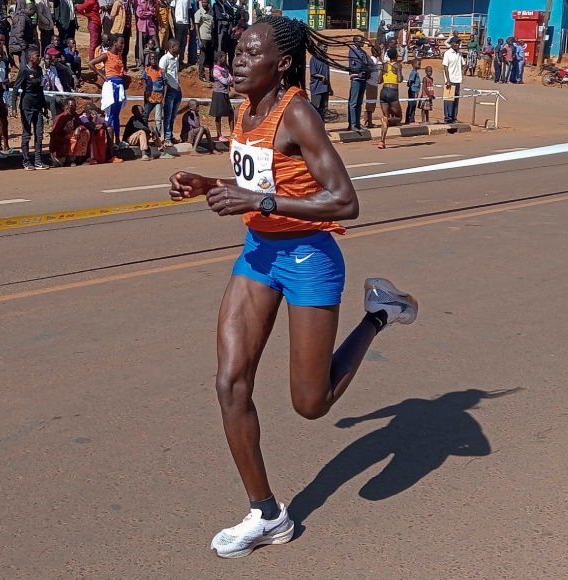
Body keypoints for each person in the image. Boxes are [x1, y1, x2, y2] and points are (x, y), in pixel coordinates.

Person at [167, 15, 418, 559]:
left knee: (311, 403)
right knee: (230, 383)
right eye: (236, 50)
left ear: (280, 63)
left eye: (249, 53)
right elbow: (263, 183)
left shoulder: (297, 112)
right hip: (259, 254)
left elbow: (345, 201)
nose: (236, 60)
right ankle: (267, 514)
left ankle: (379, 313)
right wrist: (209, 185)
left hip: (309, 258)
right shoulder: (244, 109)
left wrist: (260, 203)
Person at [12, 47, 49, 170]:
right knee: (27, 134)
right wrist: (13, 107)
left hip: (37, 106)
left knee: (39, 134)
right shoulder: (24, 71)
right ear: (30, 58)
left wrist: (44, 106)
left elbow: (40, 89)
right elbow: (16, 88)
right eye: (37, 56)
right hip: (26, 106)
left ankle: (38, 160)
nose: (40, 58)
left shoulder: (39, 70)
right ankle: (26, 160)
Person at [88, 33, 127, 143]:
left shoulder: (119, 55)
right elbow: (91, 63)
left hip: (120, 86)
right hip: (111, 86)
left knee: (116, 114)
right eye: (121, 43)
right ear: (114, 43)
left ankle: (118, 141)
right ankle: (107, 141)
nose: (123, 45)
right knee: (110, 114)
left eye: (123, 43)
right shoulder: (106, 55)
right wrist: (103, 76)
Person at [49, 96, 90, 165]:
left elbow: (82, 125)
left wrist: (78, 128)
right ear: (66, 107)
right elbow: (54, 135)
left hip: (70, 140)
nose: (74, 107)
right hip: (60, 147)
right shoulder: (61, 118)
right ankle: (66, 160)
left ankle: (79, 159)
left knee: (85, 133)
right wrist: (67, 141)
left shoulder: (75, 116)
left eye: (75, 106)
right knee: (73, 139)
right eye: (71, 106)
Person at [376, 48, 402, 149]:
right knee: (399, 118)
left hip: (383, 91)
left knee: (385, 117)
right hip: (392, 92)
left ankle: (382, 141)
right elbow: (399, 79)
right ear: (396, 56)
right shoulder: (397, 65)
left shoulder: (384, 65)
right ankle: (388, 120)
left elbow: (379, 81)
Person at [160, 39, 183, 143]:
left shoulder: (176, 59)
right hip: (169, 91)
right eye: (178, 46)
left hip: (177, 90)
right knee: (168, 115)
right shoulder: (165, 59)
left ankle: (170, 135)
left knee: (173, 115)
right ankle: (167, 138)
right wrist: (168, 87)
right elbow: (161, 75)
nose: (180, 48)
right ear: (172, 47)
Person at [210, 51, 234, 142]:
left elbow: (230, 79)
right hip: (218, 94)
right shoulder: (215, 70)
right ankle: (219, 135)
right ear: (219, 59)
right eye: (224, 57)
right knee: (218, 115)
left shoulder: (225, 68)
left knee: (231, 113)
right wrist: (229, 79)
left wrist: (229, 79)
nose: (226, 59)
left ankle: (232, 133)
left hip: (225, 93)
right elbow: (226, 81)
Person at [347, 35, 369, 131]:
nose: (363, 43)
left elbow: (367, 61)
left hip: (363, 78)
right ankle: (352, 124)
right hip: (356, 78)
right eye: (361, 41)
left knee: (359, 102)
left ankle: (357, 123)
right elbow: (359, 63)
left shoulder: (362, 52)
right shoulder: (353, 51)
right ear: (356, 42)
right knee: (353, 102)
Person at [142, 51, 166, 138]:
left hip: (159, 98)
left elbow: (165, 85)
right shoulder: (146, 71)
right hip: (149, 97)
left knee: (158, 118)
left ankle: (158, 136)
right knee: (145, 116)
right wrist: (144, 98)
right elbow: (145, 85)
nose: (153, 60)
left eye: (155, 58)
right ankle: (146, 134)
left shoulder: (161, 71)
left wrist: (164, 98)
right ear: (148, 60)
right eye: (151, 58)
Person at [441, 37, 463, 123]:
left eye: (459, 43)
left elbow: (462, 64)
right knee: (449, 100)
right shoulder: (447, 53)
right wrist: (448, 80)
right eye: (456, 43)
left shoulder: (460, 54)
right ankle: (448, 117)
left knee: (456, 100)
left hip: (458, 79)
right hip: (450, 80)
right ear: (452, 43)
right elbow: (445, 67)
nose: (458, 44)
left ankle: (454, 117)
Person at [308, 44, 331, 122]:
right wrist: (322, 77)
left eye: (326, 47)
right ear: (318, 47)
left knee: (324, 109)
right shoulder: (314, 58)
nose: (325, 48)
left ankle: (322, 128)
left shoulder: (325, 59)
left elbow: (328, 74)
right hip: (317, 88)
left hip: (325, 88)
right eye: (324, 47)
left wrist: (329, 87)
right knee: (316, 109)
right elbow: (313, 73)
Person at [194, 0, 214, 82]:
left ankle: (211, 75)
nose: (204, 4)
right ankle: (201, 75)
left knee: (211, 58)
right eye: (203, 2)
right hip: (203, 37)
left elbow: (212, 25)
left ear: (209, 3)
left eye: (206, 2)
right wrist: (199, 40)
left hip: (210, 37)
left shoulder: (211, 12)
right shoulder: (199, 12)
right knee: (203, 57)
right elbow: (196, 26)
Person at [170, 0, 194, 66]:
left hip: (186, 22)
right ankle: (174, 59)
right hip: (178, 22)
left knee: (184, 42)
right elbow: (172, 8)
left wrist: (190, 21)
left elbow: (189, 9)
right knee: (177, 42)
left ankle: (181, 60)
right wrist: (174, 20)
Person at [109, 0, 132, 68]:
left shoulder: (128, 2)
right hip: (119, 30)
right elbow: (112, 15)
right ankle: (117, 66)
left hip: (127, 29)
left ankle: (124, 66)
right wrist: (118, 23)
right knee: (119, 49)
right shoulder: (117, 3)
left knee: (125, 49)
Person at [135, 0, 157, 67]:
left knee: (155, 44)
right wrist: (150, 13)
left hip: (150, 26)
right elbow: (140, 14)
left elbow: (153, 11)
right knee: (141, 46)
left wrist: (150, 7)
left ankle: (152, 62)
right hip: (142, 26)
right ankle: (140, 63)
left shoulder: (149, 1)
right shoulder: (138, 2)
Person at [364, 50, 379, 128]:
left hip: (372, 83)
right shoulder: (373, 60)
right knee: (370, 103)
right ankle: (368, 122)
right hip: (371, 83)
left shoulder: (374, 60)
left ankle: (369, 121)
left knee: (371, 102)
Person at [404, 57, 420, 125]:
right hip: (413, 90)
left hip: (414, 90)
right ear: (413, 65)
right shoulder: (414, 73)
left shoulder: (415, 72)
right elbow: (410, 81)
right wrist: (411, 87)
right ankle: (411, 120)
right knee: (412, 105)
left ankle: (408, 119)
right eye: (418, 64)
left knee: (411, 105)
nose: (420, 66)